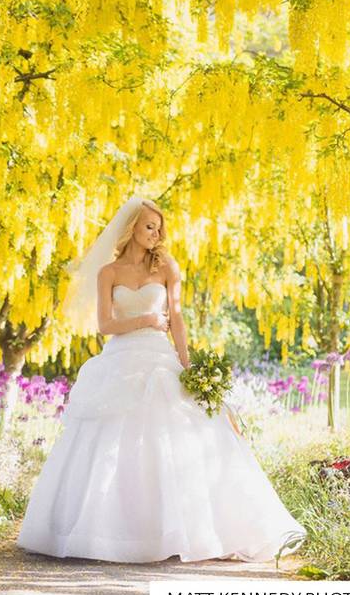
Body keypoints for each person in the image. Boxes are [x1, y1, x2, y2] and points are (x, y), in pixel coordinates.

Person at [16, 197, 306, 563]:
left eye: (158, 227)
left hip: (159, 357)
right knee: (111, 439)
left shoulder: (167, 267)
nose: (156, 234)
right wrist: (147, 321)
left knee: (175, 433)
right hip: (121, 357)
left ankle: (181, 530)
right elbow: (105, 325)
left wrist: (188, 366)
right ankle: (110, 529)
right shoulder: (108, 272)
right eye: (148, 226)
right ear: (131, 229)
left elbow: (178, 319)